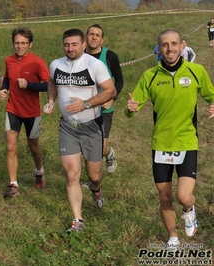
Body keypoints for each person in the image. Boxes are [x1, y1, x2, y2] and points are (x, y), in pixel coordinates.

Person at [125, 29, 214, 250]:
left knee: (183, 196)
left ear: (182, 45)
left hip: (186, 142)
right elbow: (132, 107)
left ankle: (188, 209)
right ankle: (173, 236)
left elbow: (211, 94)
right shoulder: (150, 76)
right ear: (159, 48)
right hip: (161, 144)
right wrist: (131, 109)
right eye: (165, 45)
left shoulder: (196, 71)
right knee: (165, 197)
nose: (170, 48)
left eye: (174, 44)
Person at [43, 28, 116, 232]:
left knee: (94, 175)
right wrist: (50, 100)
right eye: (66, 44)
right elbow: (51, 81)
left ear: (83, 44)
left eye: (74, 44)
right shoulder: (56, 65)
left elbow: (111, 91)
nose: (70, 48)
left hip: (91, 126)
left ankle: (96, 189)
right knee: (72, 175)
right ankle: (78, 220)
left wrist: (85, 104)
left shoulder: (95, 65)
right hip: (67, 128)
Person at [0, 27, 50, 198]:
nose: (19, 46)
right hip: (13, 109)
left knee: (33, 146)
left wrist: (29, 85)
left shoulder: (38, 62)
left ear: (30, 44)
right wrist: (3, 89)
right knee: (10, 147)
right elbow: (7, 78)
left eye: (23, 43)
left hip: (32, 112)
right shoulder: (9, 60)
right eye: (17, 43)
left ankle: (38, 171)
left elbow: (49, 85)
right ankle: (13, 184)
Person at [85, 24, 123, 173]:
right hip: (85, 108)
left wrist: (112, 99)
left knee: (100, 148)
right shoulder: (79, 55)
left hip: (103, 110)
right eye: (91, 34)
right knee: (87, 146)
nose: (94, 37)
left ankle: (109, 153)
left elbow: (119, 81)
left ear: (102, 40)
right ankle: (91, 180)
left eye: (97, 35)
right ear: (86, 37)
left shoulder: (110, 56)